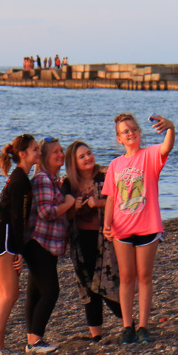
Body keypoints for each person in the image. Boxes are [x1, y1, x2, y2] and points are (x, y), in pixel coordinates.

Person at [102, 113, 175, 344]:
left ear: (139, 132)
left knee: (144, 277)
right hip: (121, 230)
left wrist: (171, 128)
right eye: (125, 131)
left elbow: (166, 147)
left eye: (133, 129)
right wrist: (106, 224)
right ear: (119, 138)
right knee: (126, 278)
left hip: (147, 227)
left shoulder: (150, 155)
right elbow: (112, 198)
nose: (130, 133)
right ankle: (127, 326)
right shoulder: (115, 164)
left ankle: (143, 326)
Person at [0, 133, 40, 355]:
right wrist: (18, 251)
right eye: (35, 150)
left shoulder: (18, 178)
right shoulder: (20, 181)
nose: (39, 153)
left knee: (9, 294)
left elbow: (7, 213)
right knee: (8, 294)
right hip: (3, 237)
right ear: (23, 154)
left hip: (0, 235)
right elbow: (17, 219)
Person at [62, 141, 122, 341]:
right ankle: (96, 335)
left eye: (88, 153)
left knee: (108, 283)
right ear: (73, 163)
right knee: (87, 286)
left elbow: (124, 200)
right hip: (80, 241)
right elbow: (64, 216)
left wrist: (100, 203)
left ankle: (129, 323)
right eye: (81, 156)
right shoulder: (68, 184)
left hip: (105, 238)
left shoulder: (107, 174)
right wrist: (74, 207)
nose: (88, 158)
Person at [23, 137, 77, 354]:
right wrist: (69, 203)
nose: (61, 155)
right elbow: (47, 212)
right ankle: (35, 341)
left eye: (61, 151)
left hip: (45, 243)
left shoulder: (52, 180)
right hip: (39, 242)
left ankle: (32, 339)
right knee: (51, 290)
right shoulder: (43, 179)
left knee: (35, 291)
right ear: (44, 157)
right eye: (55, 152)